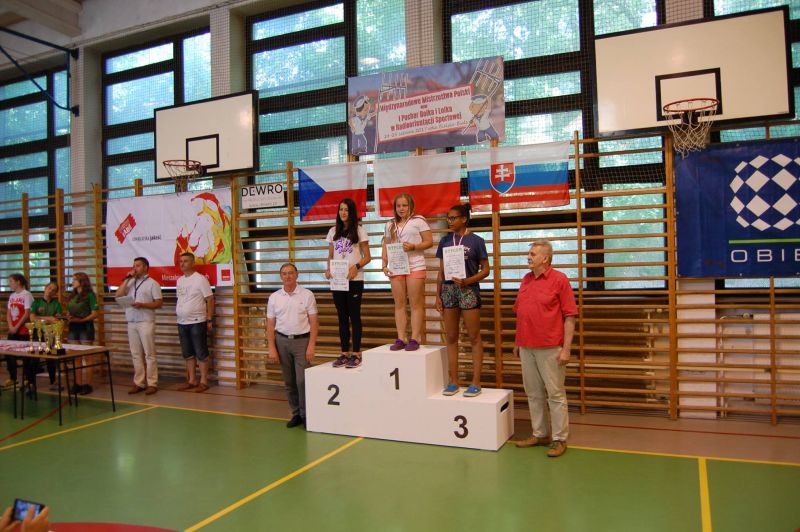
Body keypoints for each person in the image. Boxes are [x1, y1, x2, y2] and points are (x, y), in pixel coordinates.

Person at [513, 240, 577, 458]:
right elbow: (522, 312)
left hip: (550, 347)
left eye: (532, 254)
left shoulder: (559, 279)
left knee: (555, 394)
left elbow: (570, 316)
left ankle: (559, 438)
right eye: (529, 253)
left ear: (545, 258)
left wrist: (566, 349)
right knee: (533, 393)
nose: (528, 257)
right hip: (526, 346)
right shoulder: (526, 279)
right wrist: (517, 341)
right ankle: (539, 434)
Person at [435, 204, 489, 398]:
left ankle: (476, 382)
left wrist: (469, 280)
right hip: (449, 289)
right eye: (448, 218)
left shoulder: (476, 241)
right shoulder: (445, 241)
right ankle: (453, 381)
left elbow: (486, 270)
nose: (449, 221)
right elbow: (441, 271)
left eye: (453, 218)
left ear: (464, 219)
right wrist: (438, 295)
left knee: (474, 336)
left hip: (468, 289)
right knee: (451, 337)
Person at [267, 263, 318, 428]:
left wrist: (311, 346)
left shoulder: (307, 295)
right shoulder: (274, 297)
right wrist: (272, 347)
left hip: (302, 341)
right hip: (281, 341)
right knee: (289, 381)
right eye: (284, 273)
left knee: (302, 381)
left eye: (290, 273)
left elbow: (314, 323)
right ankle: (296, 414)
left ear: (297, 275)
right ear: (280, 276)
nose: (287, 276)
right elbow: (270, 325)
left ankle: (306, 415)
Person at [381, 193, 433, 351]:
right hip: (396, 266)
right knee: (399, 304)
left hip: (415, 265)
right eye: (398, 206)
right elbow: (386, 244)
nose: (401, 208)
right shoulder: (390, 224)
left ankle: (415, 338)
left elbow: (429, 241)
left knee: (415, 304)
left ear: (411, 206)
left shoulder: (419, 220)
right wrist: (384, 264)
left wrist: (414, 246)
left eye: (404, 205)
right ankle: (401, 337)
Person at [325, 198, 371, 369]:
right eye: (341, 209)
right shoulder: (333, 231)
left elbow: (368, 256)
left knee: (354, 315)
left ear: (352, 212)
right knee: (342, 317)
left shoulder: (360, 231)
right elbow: (330, 256)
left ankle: (356, 353)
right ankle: (344, 353)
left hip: (354, 280)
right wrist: (328, 269)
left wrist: (356, 267)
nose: (343, 213)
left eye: (346, 210)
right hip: (338, 281)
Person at [115, 257, 163, 395]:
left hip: (145, 321)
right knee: (136, 354)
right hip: (131, 321)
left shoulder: (153, 283)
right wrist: (126, 279)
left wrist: (143, 305)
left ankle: (152, 383)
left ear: (145, 267)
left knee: (149, 354)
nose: (135, 268)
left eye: (138, 265)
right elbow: (118, 295)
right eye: (134, 266)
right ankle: (139, 382)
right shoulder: (130, 282)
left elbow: (159, 303)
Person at [175, 252, 215, 393]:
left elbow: (210, 299)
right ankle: (191, 380)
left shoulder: (200, 279)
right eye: (181, 261)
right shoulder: (179, 280)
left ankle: (204, 381)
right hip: (182, 322)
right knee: (188, 353)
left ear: (193, 263)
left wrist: (209, 318)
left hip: (197, 321)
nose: (182, 263)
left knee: (201, 352)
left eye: (185, 261)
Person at [66, 272, 99, 395]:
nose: (72, 282)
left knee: (87, 356)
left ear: (82, 281)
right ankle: (78, 383)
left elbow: (95, 313)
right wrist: (68, 316)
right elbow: (70, 310)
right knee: (76, 357)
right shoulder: (72, 295)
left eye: (75, 280)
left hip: (85, 327)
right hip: (73, 327)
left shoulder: (90, 295)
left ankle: (88, 384)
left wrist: (82, 320)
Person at [30, 281, 64, 390]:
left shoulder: (57, 304)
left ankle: (53, 382)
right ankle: (31, 383)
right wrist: (49, 318)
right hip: (37, 332)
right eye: (49, 288)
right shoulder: (36, 303)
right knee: (34, 358)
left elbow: (57, 319)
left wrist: (42, 318)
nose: (50, 291)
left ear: (55, 293)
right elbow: (32, 318)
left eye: (53, 290)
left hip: (50, 333)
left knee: (51, 358)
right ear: (45, 288)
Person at [5, 273, 33, 389]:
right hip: (13, 329)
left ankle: (27, 379)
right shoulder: (12, 296)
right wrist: (11, 326)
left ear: (18, 282)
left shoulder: (27, 295)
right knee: (9, 353)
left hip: (23, 329)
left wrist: (17, 326)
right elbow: (8, 313)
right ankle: (13, 378)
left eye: (11, 281)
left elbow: (27, 313)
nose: (9, 284)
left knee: (25, 355)